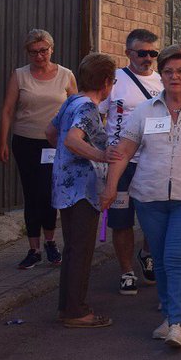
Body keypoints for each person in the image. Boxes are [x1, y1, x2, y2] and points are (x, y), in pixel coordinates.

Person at [101, 45, 181, 350]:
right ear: (161, 74)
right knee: (158, 260)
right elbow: (125, 151)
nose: (174, 76)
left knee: (176, 257)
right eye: (168, 71)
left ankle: (178, 323)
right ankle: (169, 316)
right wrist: (111, 186)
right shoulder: (146, 111)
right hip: (149, 196)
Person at [46, 53, 117, 328]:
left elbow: (50, 133)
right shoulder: (88, 107)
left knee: (74, 248)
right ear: (106, 83)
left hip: (64, 185)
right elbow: (72, 140)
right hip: (82, 189)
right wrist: (100, 156)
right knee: (82, 250)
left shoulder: (72, 101)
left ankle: (68, 306)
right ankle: (77, 310)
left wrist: (66, 160)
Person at [0, 29, 77, 269]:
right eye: (34, 52)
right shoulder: (20, 76)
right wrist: (2, 141)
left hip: (54, 144)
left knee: (49, 192)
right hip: (26, 142)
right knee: (32, 194)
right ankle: (33, 248)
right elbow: (8, 110)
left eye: (43, 50)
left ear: (51, 49)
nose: (39, 56)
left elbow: (76, 108)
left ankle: (51, 242)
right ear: (27, 53)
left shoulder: (65, 75)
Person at [99, 29, 164, 295]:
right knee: (121, 220)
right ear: (128, 53)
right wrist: (105, 148)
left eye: (152, 53)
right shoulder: (114, 81)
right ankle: (126, 271)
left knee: (154, 218)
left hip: (153, 162)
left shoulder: (163, 81)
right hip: (123, 163)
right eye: (142, 53)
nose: (147, 58)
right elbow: (97, 114)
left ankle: (146, 253)